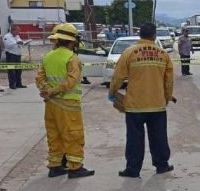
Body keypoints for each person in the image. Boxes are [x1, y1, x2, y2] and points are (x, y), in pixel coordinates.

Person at [109, 23, 175, 178]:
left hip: (135, 106)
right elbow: (169, 80)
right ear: (154, 36)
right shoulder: (163, 54)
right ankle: (162, 165)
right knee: (159, 137)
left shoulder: (129, 52)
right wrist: (167, 96)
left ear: (140, 36)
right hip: (157, 105)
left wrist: (113, 91)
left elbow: (118, 76)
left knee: (134, 139)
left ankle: (133, 169)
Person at [35, 23, 95, 178]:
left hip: (51, 105)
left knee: (54, 135)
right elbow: (71, 81)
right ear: (71, 41)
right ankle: (75, 167)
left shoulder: (47, 57)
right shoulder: (72, 58)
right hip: (68, 104)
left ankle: (55, 166)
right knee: (73, 134)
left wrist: (47, 90)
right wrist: (53, 91)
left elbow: (39, 78)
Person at [3, 24, 26, 89]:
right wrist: (16, 43)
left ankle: (19, 84)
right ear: (13, 30)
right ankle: (12, 84)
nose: (18, 33)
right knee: (11, 71)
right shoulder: (7, 36)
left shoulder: (17, 36)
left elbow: (20, 43)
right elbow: (7, 46)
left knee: (19, 70)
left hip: (18, 55)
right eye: (17, 31)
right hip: (11, 55)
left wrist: (23, 43)